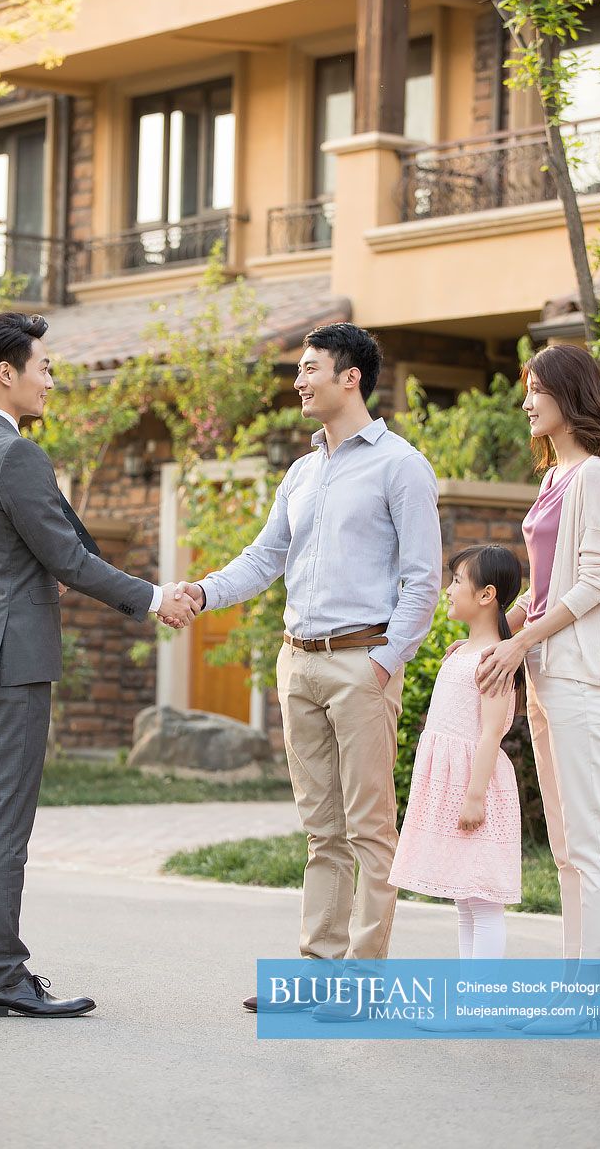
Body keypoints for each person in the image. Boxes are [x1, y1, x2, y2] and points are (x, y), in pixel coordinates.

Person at [0, 311, 198, 1019]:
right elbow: (68, 560)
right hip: (13, 659)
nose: (51, 378)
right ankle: (3, 977)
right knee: (4, 819)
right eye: (43, 366)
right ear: (6, 372)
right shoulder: (14, 454)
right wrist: (153, 597)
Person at [174, 323, 442, 1017]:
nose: (297, 381)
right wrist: (201, 592)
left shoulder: (399, 465)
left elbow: (422, 581)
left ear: (349, 377)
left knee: (368, 828)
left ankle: (363, 980)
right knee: (321, 830)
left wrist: (384, 664)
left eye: (308, 368)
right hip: (299, 662)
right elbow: (265, 559)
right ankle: (317, 972)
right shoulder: (302, 471)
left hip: (361, 663)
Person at [474, 343, 600, 966]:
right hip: (547, 672)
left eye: (537, 390)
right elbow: (545, 591)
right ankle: (577, 974)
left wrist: (520, 640)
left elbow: (593, 582)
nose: (526, 401)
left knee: (591, 835)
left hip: (582, 676)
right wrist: (498, 636)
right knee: (566, 839)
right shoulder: (552, 477)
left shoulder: (593, 475)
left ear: (569, 397)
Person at [388, 545, 523, 961]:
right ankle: (471, 996)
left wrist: (475, 796)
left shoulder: (492, 661)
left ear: (486, 595)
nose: (448, 590)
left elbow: (489, 735)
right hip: (456, 787)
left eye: (457, 582)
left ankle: (482, 1001)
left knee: (482, 901)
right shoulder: (463, 652)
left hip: (475, 788)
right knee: (465, 901)